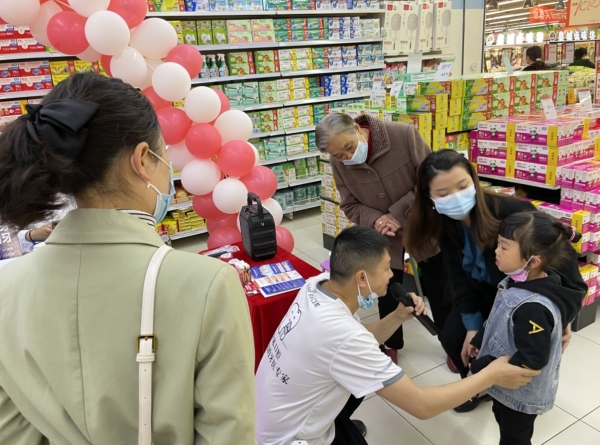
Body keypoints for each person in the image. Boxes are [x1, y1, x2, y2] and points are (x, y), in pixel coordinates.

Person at [0, 73, 256, 444]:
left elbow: (13, 430)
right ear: (142, 159)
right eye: (164, 154)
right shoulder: (208, 284)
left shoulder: (7, 288)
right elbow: (229, 435)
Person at [255, 225, 541, 445]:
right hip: (289, 438)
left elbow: (354, 339)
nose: (392, 275)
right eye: (384, 269)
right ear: (362, 278)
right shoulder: (342, 336)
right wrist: (490, 376)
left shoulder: (317, 286)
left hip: (272, 408)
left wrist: (397, 316)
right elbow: (421, 405)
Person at [404, 150, 586, 413]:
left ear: (474, 181)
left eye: (463, 186)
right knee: (453, 337)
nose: (455, 197)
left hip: (525, 298)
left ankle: (507, 395)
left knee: (516, 348)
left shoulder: (513, 213)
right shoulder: (444, 223)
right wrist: (472, 327)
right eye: (443, 194)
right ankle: (478, 386)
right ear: (428, 197)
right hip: (488, 294)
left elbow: (566, 272)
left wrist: (563, 318)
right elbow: (459, 278)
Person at [315, 112, 452, 365]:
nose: (346, 157)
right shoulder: (339, 162)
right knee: (388, 291)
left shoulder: (403, 135)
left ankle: (452, 341)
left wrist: (397, 214)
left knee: (441, 286)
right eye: (338, 155)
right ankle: (391, 343)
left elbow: (433, 181)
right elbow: (350, 205)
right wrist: (377, 220)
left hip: (424, 225)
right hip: (382, 235)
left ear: (357, 128)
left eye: (348, 148)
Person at [470, 212, 586, 445]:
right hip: (504, 387)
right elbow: (497, 317)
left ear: (533, 261)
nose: (496, 251)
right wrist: (479, 340)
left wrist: (484, 366)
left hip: (519, 394)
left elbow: (533, 358)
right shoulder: (519, 280)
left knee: (515, 437)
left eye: (504, 247)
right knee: (501, 418)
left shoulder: (533, 307)